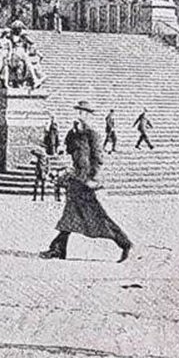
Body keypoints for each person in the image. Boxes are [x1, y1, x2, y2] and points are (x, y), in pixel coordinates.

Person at [40, 101, 132, 262]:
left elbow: (98, 159)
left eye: (83, 113)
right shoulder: (72, 134)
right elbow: (67, 154)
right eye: (78, 112)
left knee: (97, 216)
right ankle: (57, 249)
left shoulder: (92, 135)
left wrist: (92, 178)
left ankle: (124, 243)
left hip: (85, 182)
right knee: (69, 216)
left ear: (89, 116)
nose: (80, 115)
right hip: (75, 179)